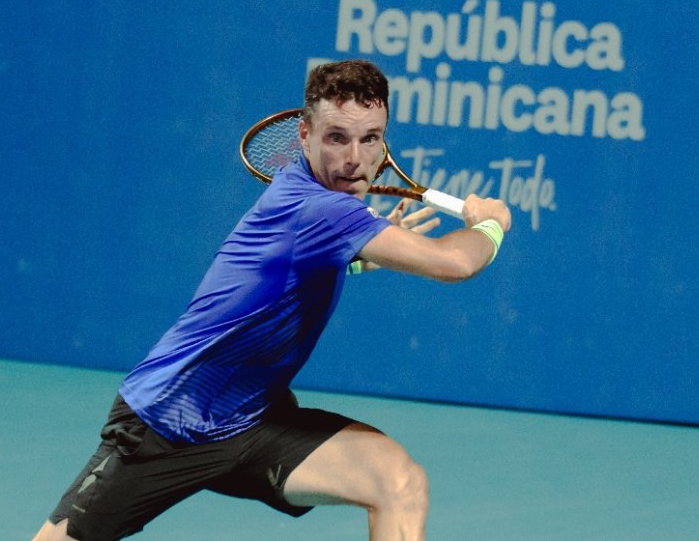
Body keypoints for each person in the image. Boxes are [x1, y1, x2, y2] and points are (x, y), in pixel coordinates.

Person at [32, 59, 512, 541]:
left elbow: (292, 271)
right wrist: (490, 223)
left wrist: (366, 257)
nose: (356, 158)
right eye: (337, 137)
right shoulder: (321, 208)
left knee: (397, 481)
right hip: (169, 422)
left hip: (250, 420)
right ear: (304, 135)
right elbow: (455, 264)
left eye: (371, 138)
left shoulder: (321, 209)